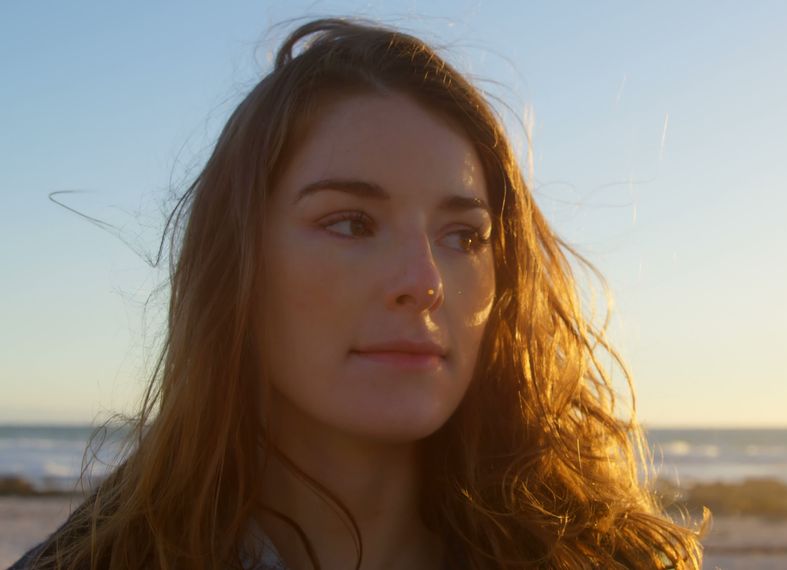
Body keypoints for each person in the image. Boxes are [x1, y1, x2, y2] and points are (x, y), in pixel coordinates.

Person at [11, 17, 705, 569]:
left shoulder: (601, 560)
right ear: (237, 265)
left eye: (463, 237)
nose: (424, 284)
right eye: (350, 223)